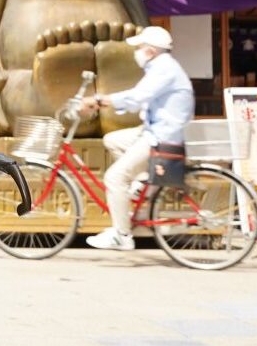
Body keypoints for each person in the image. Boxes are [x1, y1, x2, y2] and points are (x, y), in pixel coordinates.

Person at [83, 26, 196, 253]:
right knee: (113, 140)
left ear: (151, 51)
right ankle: (142, 181)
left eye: (140, 47)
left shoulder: (164, 69)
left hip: (162, 137)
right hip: (153, 130)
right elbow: (138, 101)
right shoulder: (162, 67)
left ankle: (122, 235)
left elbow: (137, 97)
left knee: (114, 177)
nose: (137, 51)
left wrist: (100, 99)